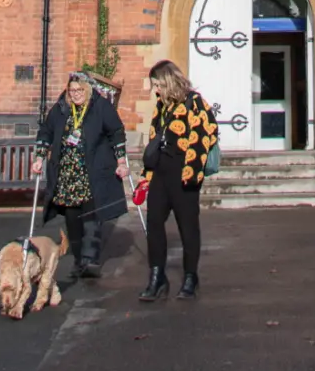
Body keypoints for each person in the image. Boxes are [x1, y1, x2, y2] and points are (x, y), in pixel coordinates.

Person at [33, 70, 129, 279]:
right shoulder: (61, 108)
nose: (75, 94)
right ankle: (78, 260)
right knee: (72, 219)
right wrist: (39, 157)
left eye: (79, 90)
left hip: (93, 172)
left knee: (92, 216)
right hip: (67, 174)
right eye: (71, 90)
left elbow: (116, 132)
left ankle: (91, 260)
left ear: (87, 90)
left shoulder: (100, 107)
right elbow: (46, 132)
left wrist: (121, 160)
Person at [138, 58, 218, 303]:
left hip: (184, 174)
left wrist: (192, 172)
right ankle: (157, 276)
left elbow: (207, 133)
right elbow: (153, 142)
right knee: (153, 223)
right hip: (160, 173)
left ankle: (190, 277)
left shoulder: (195, 103)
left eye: (157, 85)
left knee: (188, 227)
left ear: (167, 81)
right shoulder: (161, 107)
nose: (155, 91)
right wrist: (146, 176)